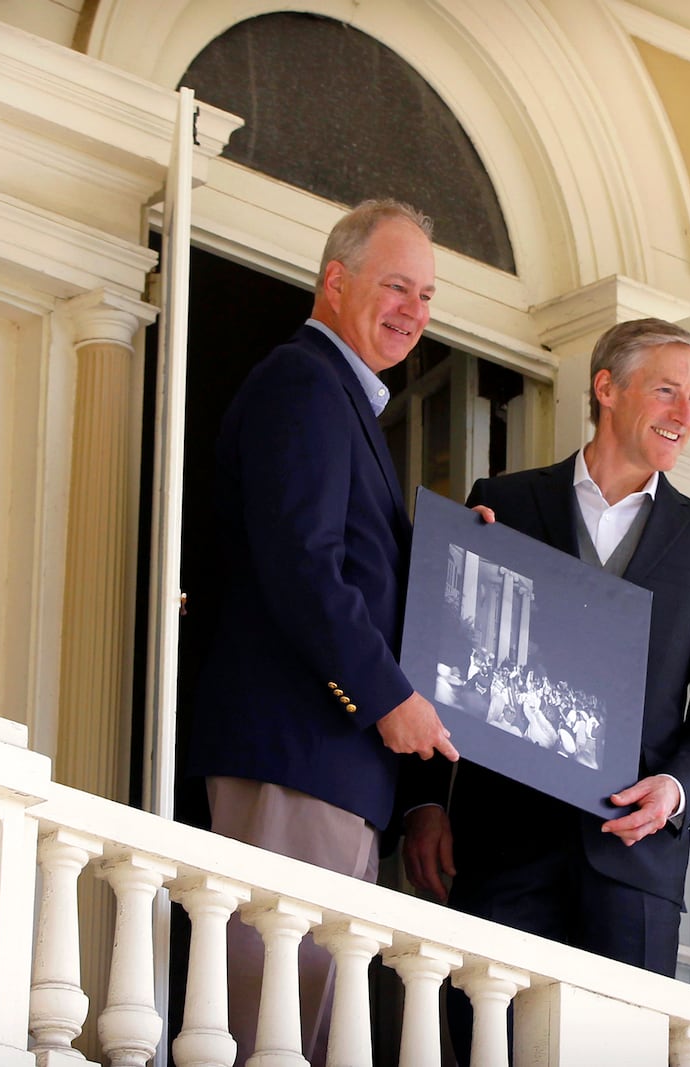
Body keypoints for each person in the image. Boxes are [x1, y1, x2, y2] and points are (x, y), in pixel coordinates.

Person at [402, 317, 690, 1056]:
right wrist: (427, 802)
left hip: (633, 864)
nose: (685, 416)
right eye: (667, 391)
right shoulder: (503, 502)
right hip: (499, 847)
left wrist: (675, 791)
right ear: (606, 388)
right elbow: (446, 660)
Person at [186, 199, 459, 1064]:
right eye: (395, 286)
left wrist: (463, 557)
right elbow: (302, 565)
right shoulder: (304, 382)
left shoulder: (345, 402)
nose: (413, 310)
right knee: (265, 1019)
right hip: (296, 752)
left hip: (332, 769)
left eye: (426, 295)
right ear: (335, 282)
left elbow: (366, 575)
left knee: (295, 1023)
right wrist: (388, 698)